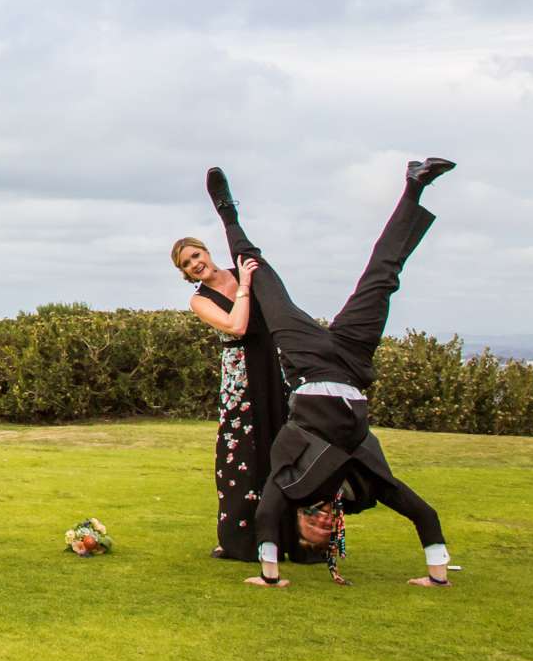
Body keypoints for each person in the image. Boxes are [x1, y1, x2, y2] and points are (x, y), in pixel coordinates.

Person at [207, 158, 459, 589]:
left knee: (262, 279)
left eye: (314, 533)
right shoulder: (363, 486)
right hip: (352, 362)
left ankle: (227, 213)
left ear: (299, 528)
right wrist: (437, 577)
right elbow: (424, 513)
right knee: (382, 278)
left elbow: (266, 516)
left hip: (305, 363)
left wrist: (270, 577)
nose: (323, 525)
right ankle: (415, 186)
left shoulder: (290, 486)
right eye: (329, 532)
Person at [175, 237, 318, 564]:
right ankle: (245, 540)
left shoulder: (240, 272)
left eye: (196, 255)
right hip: (241, 378)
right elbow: (236, 326)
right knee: (243, 451)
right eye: (187, 264)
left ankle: (301, 539)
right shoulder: (199, 301)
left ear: (207, 252)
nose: (195, 263)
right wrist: (246, 285)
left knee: (291, 444)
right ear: (186, 273)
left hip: (274, 366)